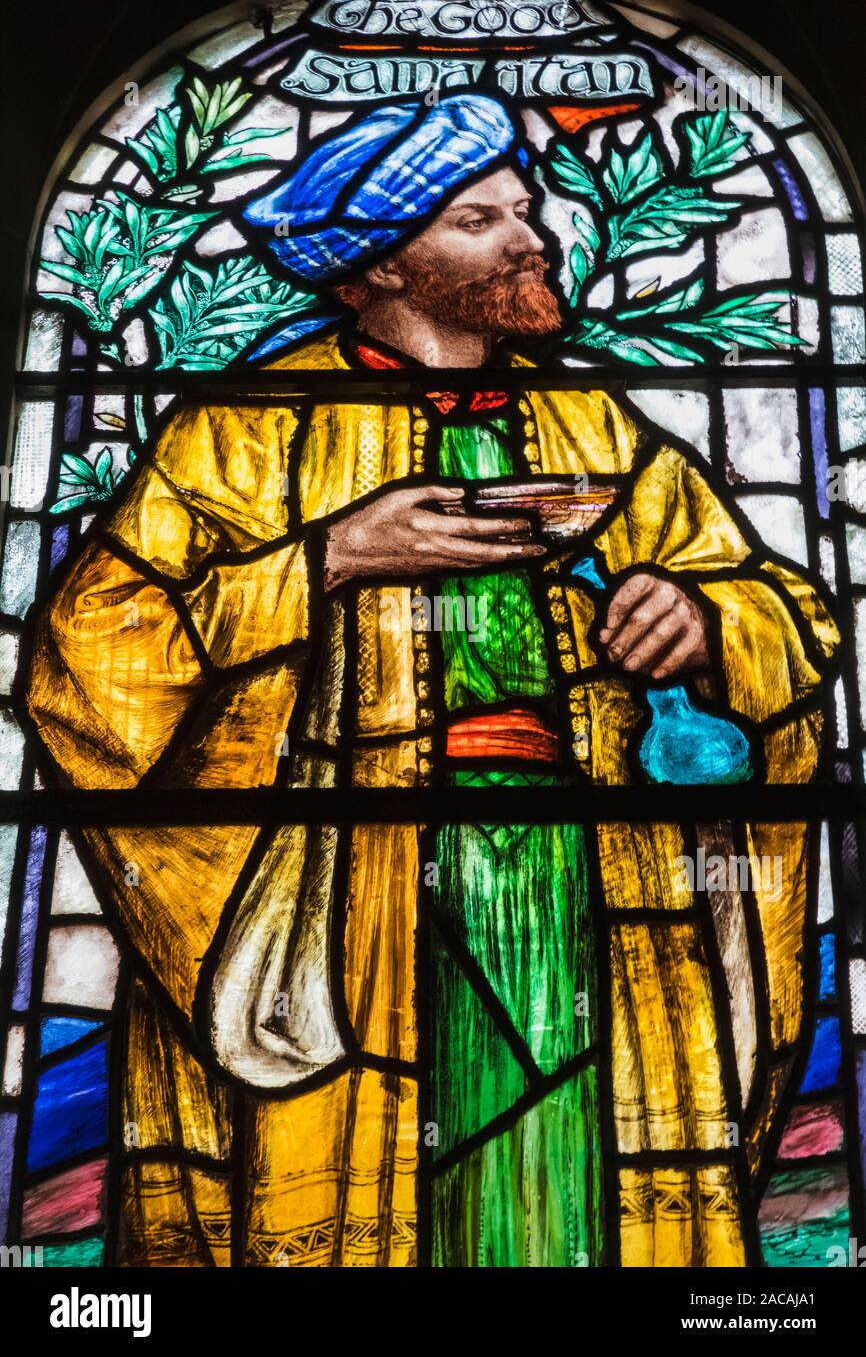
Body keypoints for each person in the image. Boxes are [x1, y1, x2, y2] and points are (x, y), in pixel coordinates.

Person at [27, 93, 840, 1267]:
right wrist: (329, 558)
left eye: (523, 209)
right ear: (377, 267)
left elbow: (790, 613)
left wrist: (706, 620)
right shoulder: (247, 431)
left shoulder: (589, 422)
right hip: (351, 889)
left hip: (596, 883)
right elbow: (85, 657)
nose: (531, 238)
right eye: (478, 218)